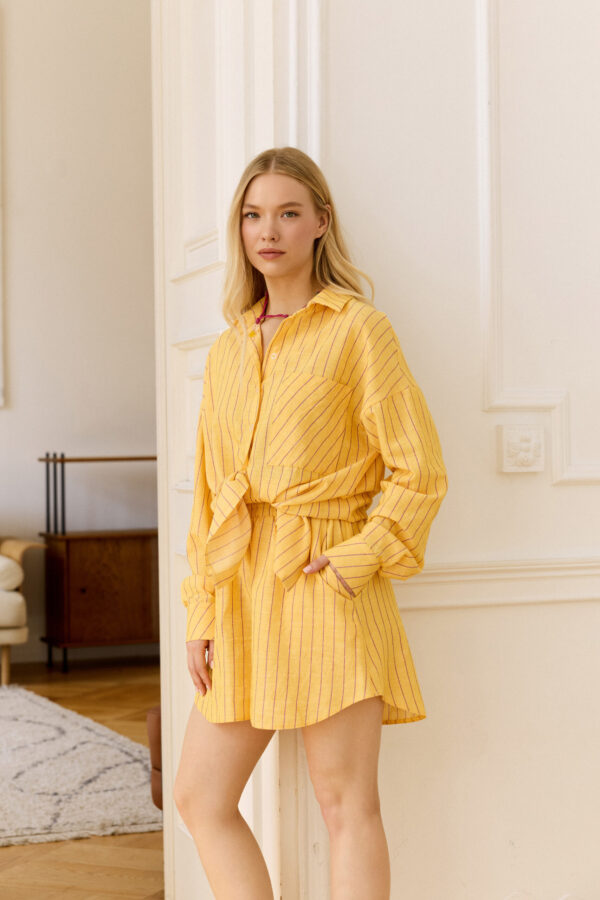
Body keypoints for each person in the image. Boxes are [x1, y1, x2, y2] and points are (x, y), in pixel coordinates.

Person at [173, 146, 448, 899]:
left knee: (345, 804)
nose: (269, 231)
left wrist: (358, 557)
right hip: (241, 588)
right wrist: (202, 611)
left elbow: (420, 469)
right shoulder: (228, 348)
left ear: (320, 222)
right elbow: (208, 497)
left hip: (327, 581)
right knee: (200, 797)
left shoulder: (359, 330)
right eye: (253, 215)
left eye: (288, 213)